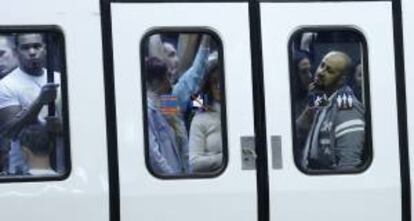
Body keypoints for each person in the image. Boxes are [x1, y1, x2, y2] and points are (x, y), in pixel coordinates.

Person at [0, 33, 61, 175]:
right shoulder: (6, 85)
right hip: (24, 169)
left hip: (62, 163)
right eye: (25, 48)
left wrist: (60, 127)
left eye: (36, 46)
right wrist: (40, 102)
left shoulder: (60, 79)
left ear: (45, 48)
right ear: (16, 52)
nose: (32, 52)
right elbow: (10, 131)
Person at [296, 51, 365, 172]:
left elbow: (349, 162)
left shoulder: (346, 105)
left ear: (341, 80)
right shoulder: (325, 98)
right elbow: (299, 130)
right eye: (322, 65)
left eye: (330, 71)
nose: (321, 72)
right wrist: (314, 100)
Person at [146, 57, 189, 175]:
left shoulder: (168, 101)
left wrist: (188, 173)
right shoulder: (147, 111)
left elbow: (182, 139)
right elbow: (154, 156)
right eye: (167, 77)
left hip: (181, 174)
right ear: (155, 81)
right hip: (166, 180)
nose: (170, 82)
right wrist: (171, 178)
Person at [189, 52, 223, 172]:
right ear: (209, 85)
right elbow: (194, 163)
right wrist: (227, 157)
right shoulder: (200, 119)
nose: (219, 87)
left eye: (222, 81)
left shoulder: (243, 115)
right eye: (214, 82)